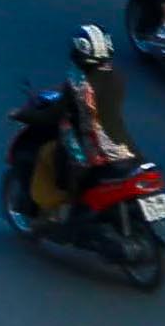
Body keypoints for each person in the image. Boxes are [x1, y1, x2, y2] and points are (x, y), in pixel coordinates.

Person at [20, 23, 135, 219]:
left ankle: (64, 207)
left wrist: (21, 115)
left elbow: (53, 115)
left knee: (48, 154)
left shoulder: (79, 82)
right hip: (124, 146)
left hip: (94, 148)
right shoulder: (116, 76)